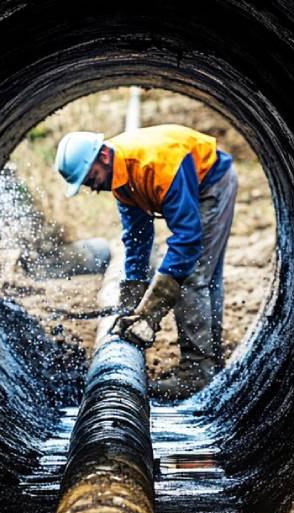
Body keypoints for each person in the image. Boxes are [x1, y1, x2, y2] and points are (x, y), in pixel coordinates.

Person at [54, 124, 238, 398]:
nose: (92, 188)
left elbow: (187, 239)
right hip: (189, 183)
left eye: (91, 178)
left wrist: (150, 313)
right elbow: (137, 238)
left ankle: (198, 371)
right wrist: (132, 297)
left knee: (192, 276)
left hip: (211, 186)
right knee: (197, 275)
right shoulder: (118, 177)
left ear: (103, 156)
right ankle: (210, 363)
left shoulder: (157, 163)